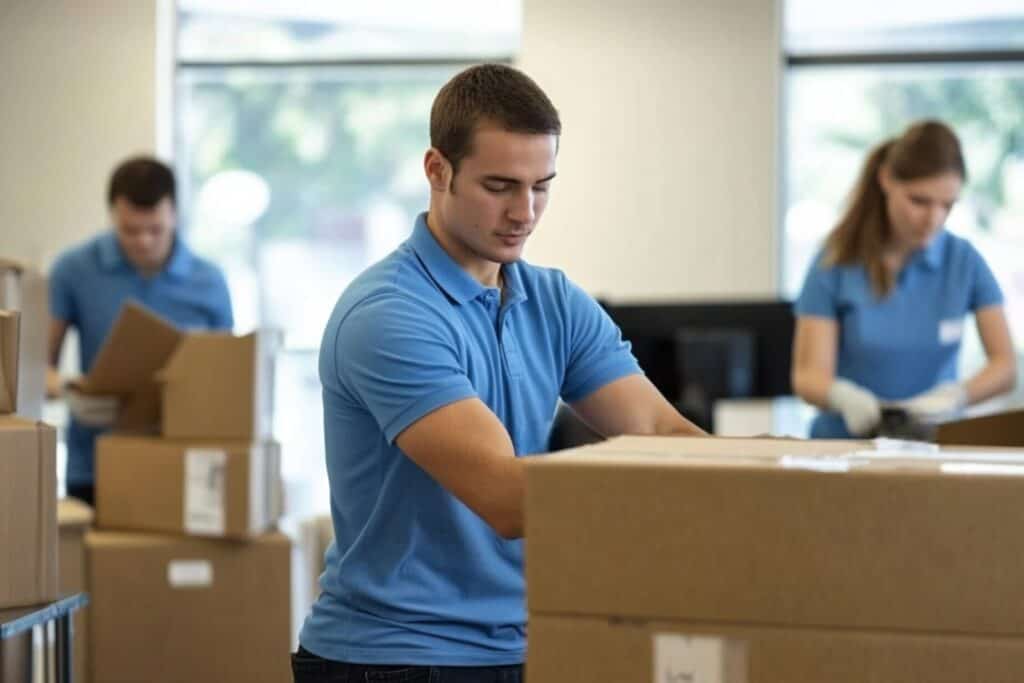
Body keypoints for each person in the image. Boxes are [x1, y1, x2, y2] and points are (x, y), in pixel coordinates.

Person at [295, 64, 705, 682]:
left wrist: (790, 477)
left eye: (542, 186)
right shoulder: (389, 315)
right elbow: (509, 499)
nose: (525, 211)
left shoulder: (553, 300)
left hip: (515, 648)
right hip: (397, 658)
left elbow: (662, 433)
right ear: (437, 170)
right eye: (500, 186)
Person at [792, 120, 1016, 438]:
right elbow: (808, 375)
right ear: (886, 180)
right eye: (919, 201)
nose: (933, 219)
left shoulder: (964, 261)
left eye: (947, 205)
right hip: (842, 448)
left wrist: (955, 396)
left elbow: (1004, 367)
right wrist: (844, 398)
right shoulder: (835, 261)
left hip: (930, 447)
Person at [48, 156, 233, 505]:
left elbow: (228, 382)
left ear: (174, 215)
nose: (144, 241)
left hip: (185, 463)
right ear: (112, 216)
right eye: (130, 230)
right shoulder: (72, 270)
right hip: (96, 467)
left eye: (156, 229)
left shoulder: (210, 281)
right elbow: (34, 373)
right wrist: (73, 391)